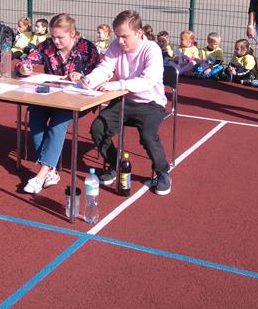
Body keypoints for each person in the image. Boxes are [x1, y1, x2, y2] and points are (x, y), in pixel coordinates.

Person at [84, 10, 172, 196]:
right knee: (98, 128)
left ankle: (162, 172)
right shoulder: (116, 46)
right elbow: (105, 68)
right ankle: (115, 165)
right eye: (118, 36)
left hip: (151, 102)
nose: (120, 41)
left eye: (125, 36)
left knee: (148, 135)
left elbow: (147, 81)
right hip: (124, 100)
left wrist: (117, 84)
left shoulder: (152, 50)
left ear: (139, 33)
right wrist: (89, 80)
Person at [17, 13, 100, 193]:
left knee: (58, 122)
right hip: (51, 97)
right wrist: (24, 68)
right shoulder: (47, 46)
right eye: (53, 36)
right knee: (35, 116)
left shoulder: (87, 48)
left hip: (78, 99)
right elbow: (26, 61)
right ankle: (51, 170)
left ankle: (41, 174)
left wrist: (83, 77)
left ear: (73, 34)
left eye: (60, 37)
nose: (55, 41)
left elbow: (98, 74)